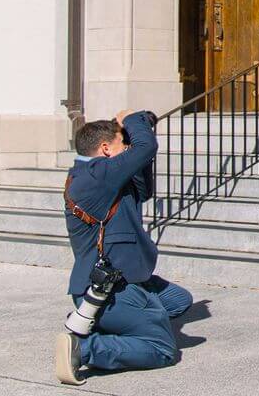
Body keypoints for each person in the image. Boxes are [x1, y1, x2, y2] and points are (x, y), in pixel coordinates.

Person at [55, 110, 192, 385]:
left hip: (126, 279)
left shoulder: (99, 176)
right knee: (163, 348)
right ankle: (85, 349)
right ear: (105, 149)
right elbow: (147, 146)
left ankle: (101, 324)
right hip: (111, 290)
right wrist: (132, 119)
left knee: (179, 300)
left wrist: (128, 138)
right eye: (122, 144)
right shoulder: (96, 176)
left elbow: (143, 190)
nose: (129, 150)